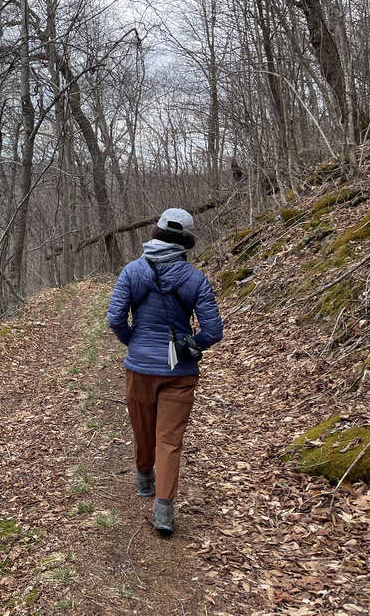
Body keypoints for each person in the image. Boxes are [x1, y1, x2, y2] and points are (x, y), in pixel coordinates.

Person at [107, 208, 223, 534]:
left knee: (143, 429)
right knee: (169, 440)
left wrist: (134, 342)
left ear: (156, 232)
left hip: (140, 368)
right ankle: (164, 510)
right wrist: (191, 345)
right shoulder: (195, 279)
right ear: (187, 241)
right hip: (181, 371)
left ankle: (144, 477)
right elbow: (213, 331)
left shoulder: (131, 271)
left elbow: (115, 318)